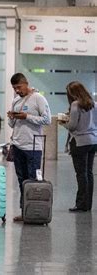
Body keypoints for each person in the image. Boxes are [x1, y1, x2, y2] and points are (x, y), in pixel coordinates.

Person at [7, 73, 51, 222]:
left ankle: (35, 212)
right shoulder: (15, 101)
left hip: (33, 146)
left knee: (33, 181)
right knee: (21, 180)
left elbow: (47, 120)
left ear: (26, 83)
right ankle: (24, 211)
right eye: (14, 88)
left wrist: (27, 117)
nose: (17, 91)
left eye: (19, 87)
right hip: (18, 145)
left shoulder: (39, 98)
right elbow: (11, 125)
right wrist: (12, 117)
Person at [59, 81, 97, 212]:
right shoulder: (93, 103)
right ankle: (88, 204)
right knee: (89, 173)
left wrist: (63, 122)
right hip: (93, 141)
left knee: (81, 174)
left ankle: (81, 204)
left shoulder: (75, 104)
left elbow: (72, 126)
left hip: (79, 142)